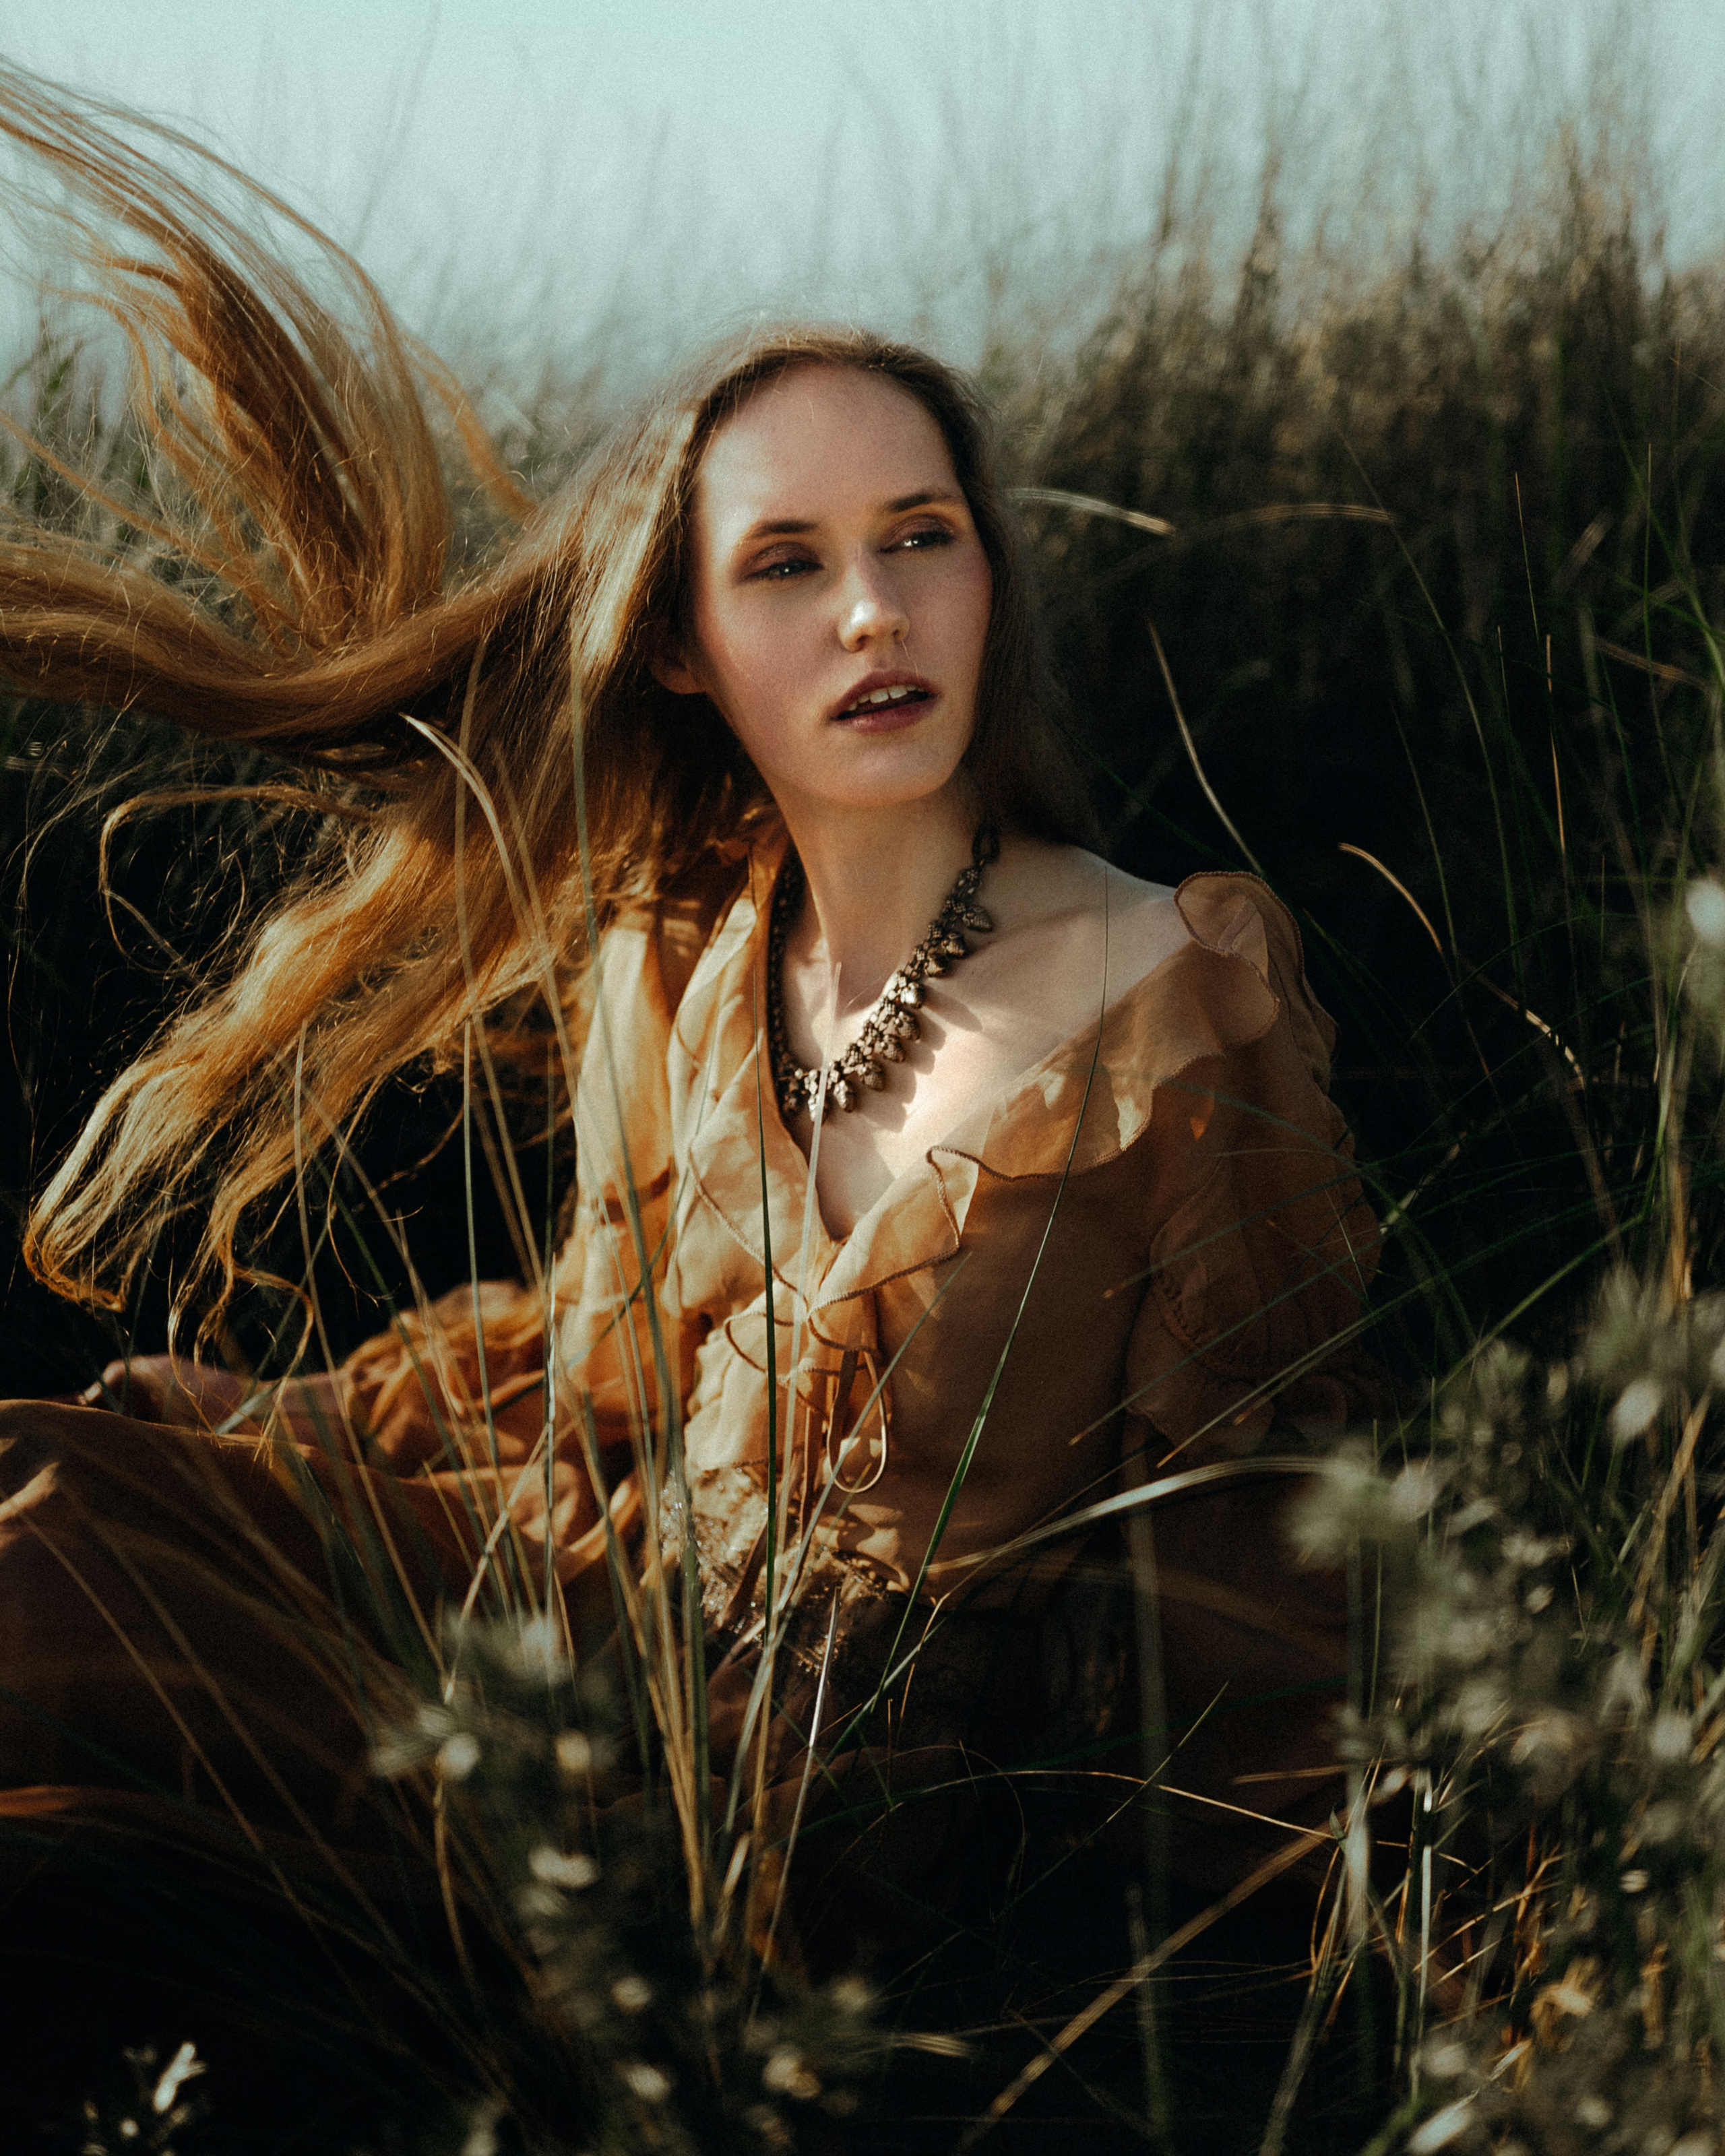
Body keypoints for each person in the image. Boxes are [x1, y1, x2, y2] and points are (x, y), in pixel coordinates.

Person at [0, 65, 1383, 1965]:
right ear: (676, 642)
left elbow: (1254, 1534)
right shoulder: (682, 962)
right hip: (597, 1632)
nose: (874, 614)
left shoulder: (1177, 992)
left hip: (841, 1811)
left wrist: (1281, 1938)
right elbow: (599, 1380)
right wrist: (309, 1436)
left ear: (988, 577)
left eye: (921, 537)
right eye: (786, 563)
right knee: (50, 1517)